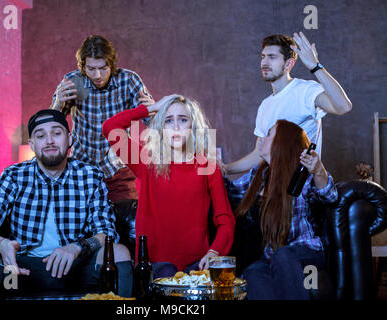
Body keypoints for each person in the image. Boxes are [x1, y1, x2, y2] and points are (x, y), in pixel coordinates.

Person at [0, 109, 133, 299]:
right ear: (32, 144)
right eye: (41, 135)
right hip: (19, 270)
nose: (49, 140)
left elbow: (107, 232)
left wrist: (76, 248)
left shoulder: (89, 175)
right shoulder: (13, 175)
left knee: (119, 252)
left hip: (76, 266)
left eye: (56, 133)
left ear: (69, 139)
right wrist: (2, 245)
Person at [102, 94, 236, 278]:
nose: (175, 127)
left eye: (182, 120)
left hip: (197, 265)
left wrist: (214, 252)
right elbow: (110, 127)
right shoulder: (146, 162)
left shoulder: (207, 166)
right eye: (168, 121)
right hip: (155, 265)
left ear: (193, 126)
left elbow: (225, 220)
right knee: (168, 273)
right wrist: (150, 109)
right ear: (160, 128)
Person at [232, 119, 338, 299]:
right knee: (253, 272)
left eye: (268, 134)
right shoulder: (258, 176)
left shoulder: (301, 175)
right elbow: (230, 191)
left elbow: (330, 196)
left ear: (281, 142)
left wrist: (319, 171)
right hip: (270, 257)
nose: (261, 139)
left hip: (304, 252)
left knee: (283, 255)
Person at [50, 35, 153, 219]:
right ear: (83, 67)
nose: (97, 76)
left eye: (103, 69)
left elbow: (153, 123)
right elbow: (51, 124)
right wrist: (58, 104)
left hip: (118, 170)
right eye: (91, 69)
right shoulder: (73, 81)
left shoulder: (128, 80)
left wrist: (152, 110)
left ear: (111, 65)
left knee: (129, 224)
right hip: (81, 172)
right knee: (80, 226)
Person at [225, 32, 352, 175]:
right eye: (263, 57)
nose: (264, 63)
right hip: (276, 186)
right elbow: (259, 153)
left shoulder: (306, 91)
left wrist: (315, 66)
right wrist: (225, 169)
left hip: (301, 187)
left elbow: (343, 107)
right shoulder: (264, 105)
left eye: (272, 57)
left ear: (288, 63)